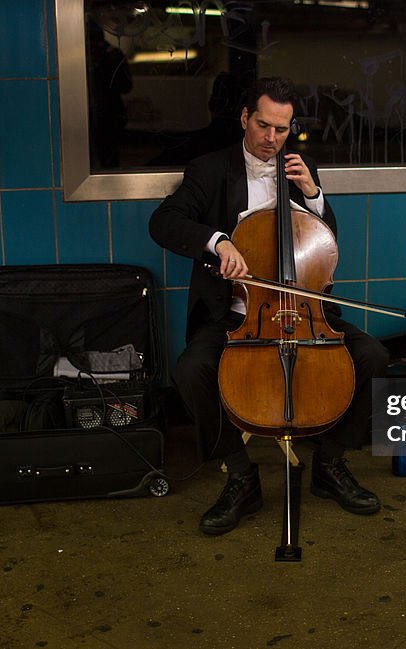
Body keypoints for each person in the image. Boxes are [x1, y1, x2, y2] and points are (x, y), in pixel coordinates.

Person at [149, 76, 389, 536]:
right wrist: (217, 243)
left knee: (374, 356)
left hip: (304, 313)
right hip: (238, 314)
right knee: (190, 371)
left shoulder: (301, 167)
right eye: (263, 126)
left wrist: (315, 195)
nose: (271, 139)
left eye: (282, 129)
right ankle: (240, 475)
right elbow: (164, 222)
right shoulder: (210, 169)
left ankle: (331, 464)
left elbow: (325, 242)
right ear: (244, 118)